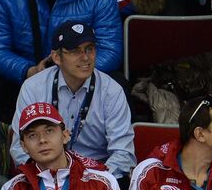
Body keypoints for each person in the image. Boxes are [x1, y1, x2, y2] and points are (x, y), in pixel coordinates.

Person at [8, 21, 134, 181]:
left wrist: (94, 181)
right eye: (75, 51)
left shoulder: (112, 91)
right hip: (44, 175)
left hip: (96, 176)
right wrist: (45, 177)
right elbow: (19, 145)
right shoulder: (33, 87)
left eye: (90, 49)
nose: (85, 57)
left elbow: (124, 153)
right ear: (56, 57)